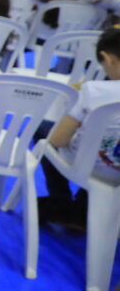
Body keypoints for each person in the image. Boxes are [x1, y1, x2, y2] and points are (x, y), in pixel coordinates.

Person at [37, 28, 120, 228]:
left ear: (107, 58)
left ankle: (62, 199)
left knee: (42, 132)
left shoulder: (93, 90)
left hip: (86, 167)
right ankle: (83, 207)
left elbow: (58, 140)